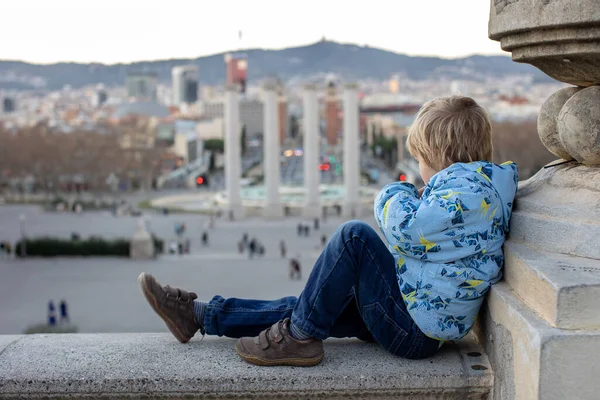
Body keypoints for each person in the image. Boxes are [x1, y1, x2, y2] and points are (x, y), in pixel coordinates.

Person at [138, 95, 518, 367]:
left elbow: (404, 229)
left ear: (439, 156)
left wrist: (395, 190)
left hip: (414, 329)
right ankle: (202, 315)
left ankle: (298, 340)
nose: (417, 168)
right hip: (415, 314)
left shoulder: (466, 194)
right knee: (310, 306)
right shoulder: (478, 189)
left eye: (418, 159)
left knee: (354, 237)